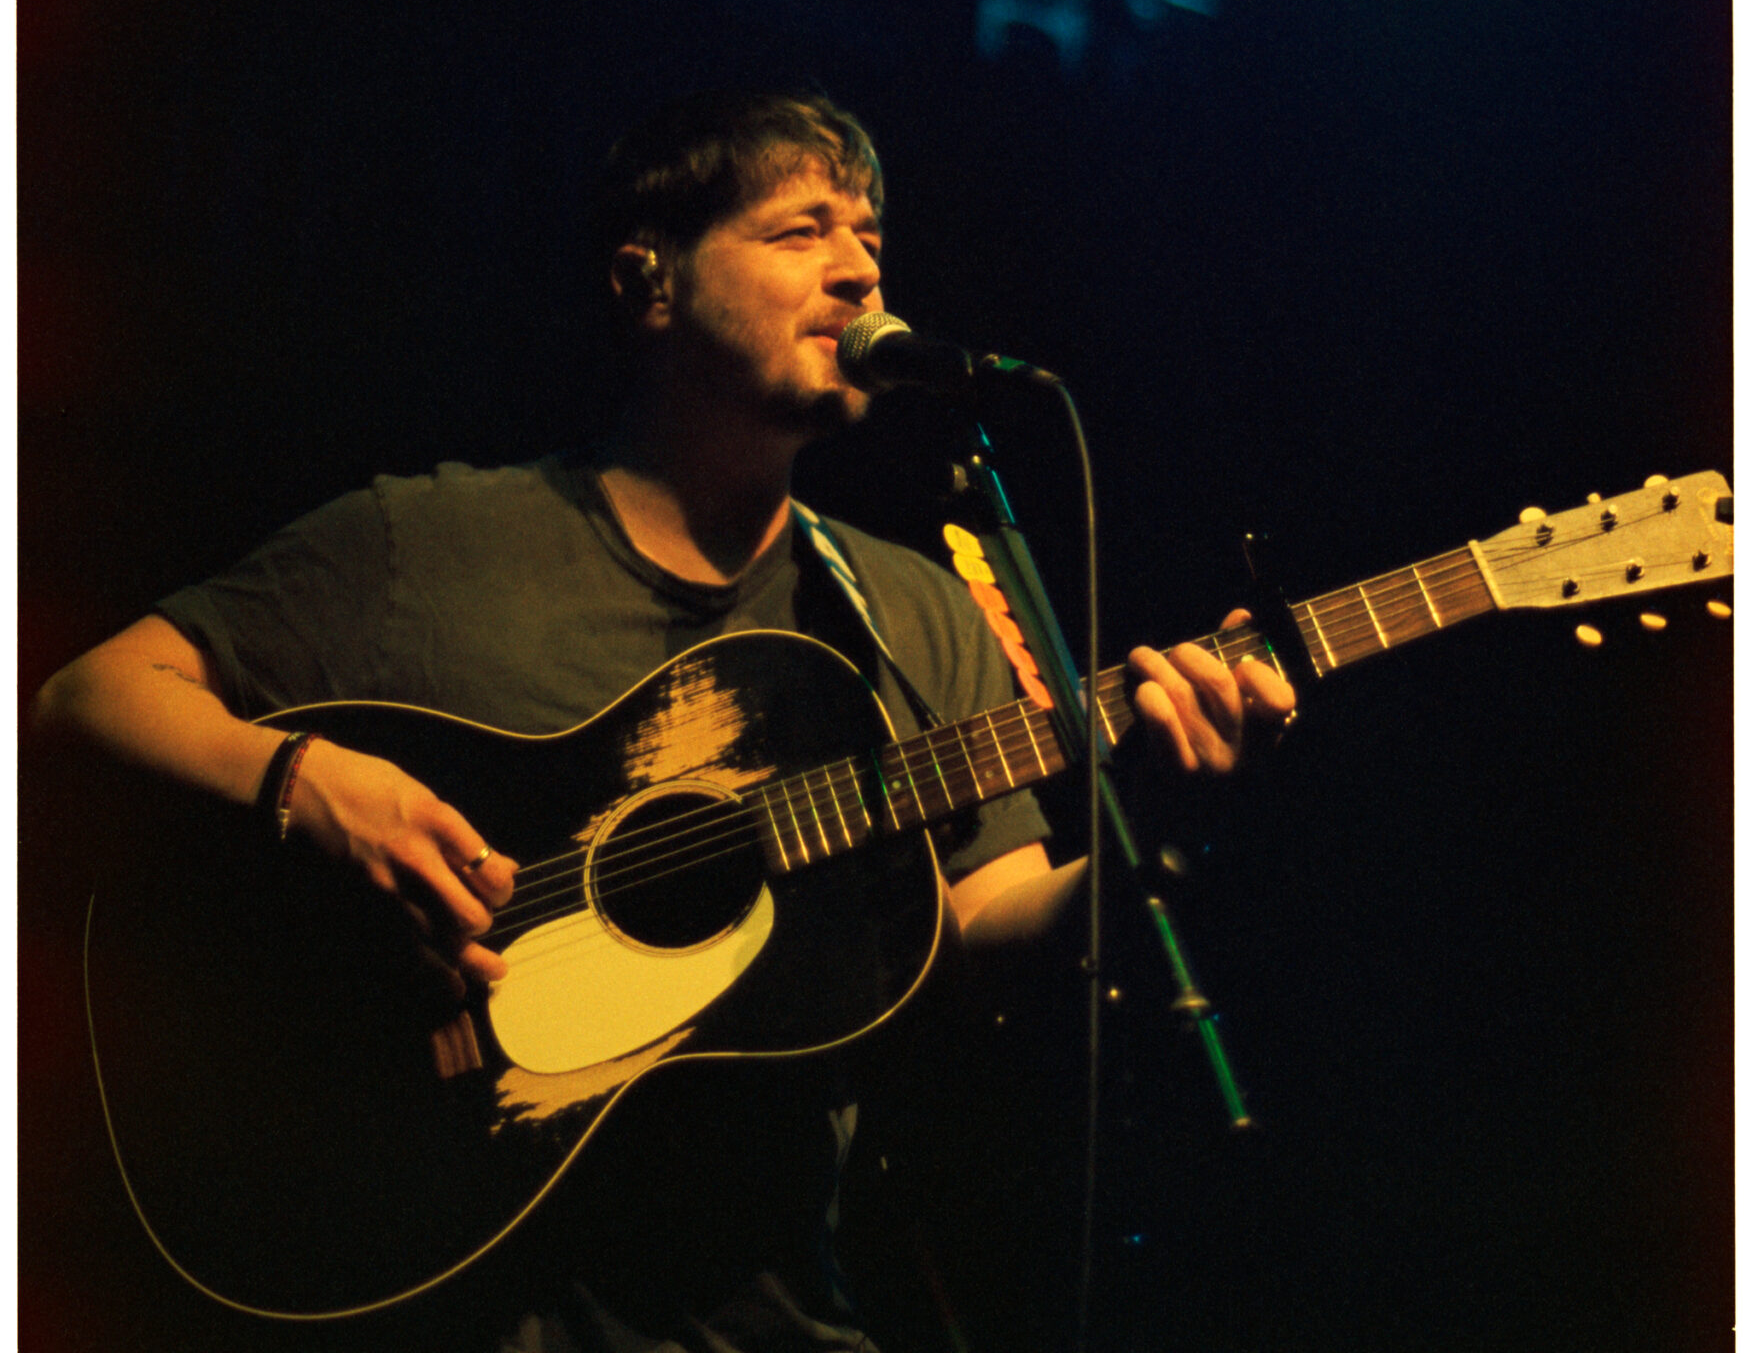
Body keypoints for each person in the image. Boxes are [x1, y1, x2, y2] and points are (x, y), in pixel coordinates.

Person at [34, 89, 1294, 1353]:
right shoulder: (430, 543)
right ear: (648, 281)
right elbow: (83, 697)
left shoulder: (906, 611)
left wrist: (1146, 831)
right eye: (801, 229)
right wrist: (305, 784)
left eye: (870, 236)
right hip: (424, 1270)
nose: (861, 269)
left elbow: (981, 924)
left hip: (766, 1318)